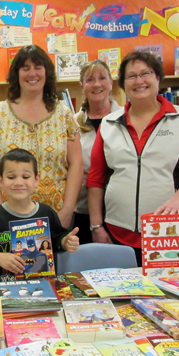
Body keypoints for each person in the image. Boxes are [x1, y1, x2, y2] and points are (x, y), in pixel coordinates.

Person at [86, 51, 179, 264]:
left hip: (168, 232)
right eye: (131, 76)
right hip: (117, 232)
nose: (139, 81)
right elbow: (95, 180)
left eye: (145, 73)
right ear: (123, 85)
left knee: (170, 293)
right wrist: (96, 226)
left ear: (158, 78)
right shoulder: (109, 123)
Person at [0, 44, 82, 229]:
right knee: (9, 259)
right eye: (25, 68)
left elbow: (76, 164)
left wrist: (67, 210)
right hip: (8, 212)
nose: (32, 73)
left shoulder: (64, 115)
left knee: (57, 259)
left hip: (56, 213)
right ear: (16, 74)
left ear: (46, 73)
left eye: (37, 68)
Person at [0, 148, 79, 282]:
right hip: (5, 290)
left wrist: (67, 242)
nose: (18, 182)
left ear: (36, 179)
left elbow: (58, 240)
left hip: (44, 287)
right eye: (11, 177)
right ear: (0, 181)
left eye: (25, 177)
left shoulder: (46, 213)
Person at [73, 60, 121, 241]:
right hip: (83, 212)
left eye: (102, 78)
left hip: (121, 212)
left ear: (111, 83)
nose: (97, 84)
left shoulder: (128, 120)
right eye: (90, 79)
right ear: (82, 86)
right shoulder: (72, 125)